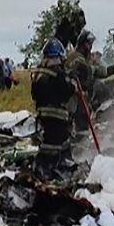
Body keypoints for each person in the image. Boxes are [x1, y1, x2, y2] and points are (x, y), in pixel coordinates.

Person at [31, 39, 75, 179]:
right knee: (57, 145)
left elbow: (34, 94)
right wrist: (72, 84)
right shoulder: (58, 73)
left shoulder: (38, 72)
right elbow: (66, 92)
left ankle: (44, 167)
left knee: (48, 142)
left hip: (42, 115)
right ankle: (52, 169)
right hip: (57, 115)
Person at [65, 30, 114, 132]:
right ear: (83, 44)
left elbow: (96, 71)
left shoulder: (83, 58)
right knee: (78, 130)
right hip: (74, 101)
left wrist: (111, 69)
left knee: (81, 127)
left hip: (80, 101)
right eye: (89, 44)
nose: (90, 47)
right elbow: (89, 72)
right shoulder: (76, 58)